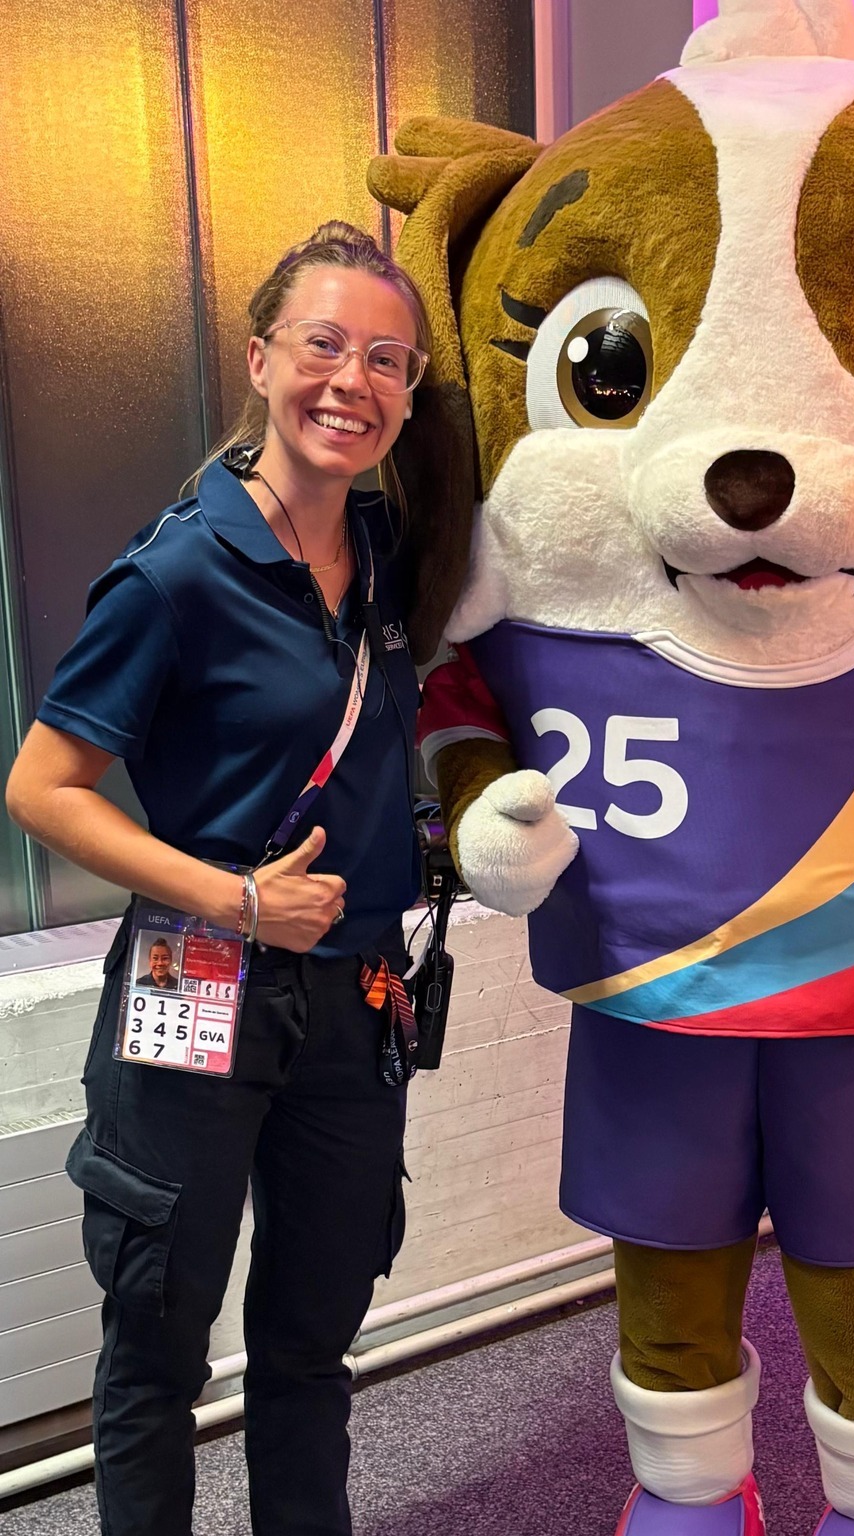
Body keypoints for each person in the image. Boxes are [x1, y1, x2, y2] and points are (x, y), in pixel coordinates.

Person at [5, 222, 428, 1536]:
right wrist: (230, 896)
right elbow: (41, 788)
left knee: (312, 1347)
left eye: (388, 359)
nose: (351, 380)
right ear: (260, 358)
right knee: (155, 1358)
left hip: (352, 1005)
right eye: (323, 344)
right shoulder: (178, 570)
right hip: (201, 984)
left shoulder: (394, 554)